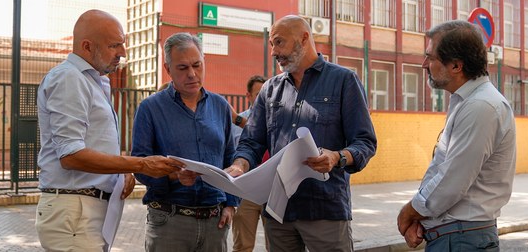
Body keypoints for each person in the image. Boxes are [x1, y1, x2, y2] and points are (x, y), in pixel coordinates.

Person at [35, 9, 183, 251]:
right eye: (115, 45)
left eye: (122, 45)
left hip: (84, 211)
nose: (122, 53)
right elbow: (70, 155)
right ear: (86, 46)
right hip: (75, 211)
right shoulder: (69, 79)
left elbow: (94, 144)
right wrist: (139, 165)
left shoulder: (93, 81)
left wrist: (120, 171)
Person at [226, 15, 377, 251]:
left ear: (304, 38)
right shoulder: (270, 89)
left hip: (325, 211)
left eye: (279, 42)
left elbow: (365, 142)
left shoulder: (344, 81)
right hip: (278, 212)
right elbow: (251, 142)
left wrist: (337, 157)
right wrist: (240, 165)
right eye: (272, 45)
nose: (274, 51)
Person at [396, 20, 517, 251]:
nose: (424, 64)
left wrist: (410, 212)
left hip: (462, 239)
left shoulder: (481, 106)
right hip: (456, 236)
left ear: (456, 66)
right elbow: (440, 167)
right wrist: (419, 217)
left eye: (431, 58)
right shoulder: (467, 101)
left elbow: (451, 181)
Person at [131, 32, 239, 252]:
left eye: (197, 65)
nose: (192, 74)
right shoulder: (150, 108)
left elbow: (230, 156)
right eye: (182, 68)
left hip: (214, 222)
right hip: (170, 221)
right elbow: (139, 165)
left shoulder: (220, 106)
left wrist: (231, 204)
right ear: (168, 69)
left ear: (204, 62)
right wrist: (173, 175)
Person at [230, 75, 269, 252]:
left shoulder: (276, 121)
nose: (264, 99)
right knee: (242, 246)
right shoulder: (234, 124)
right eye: (259, 94)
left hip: (272, 191)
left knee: (278, 245)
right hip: (244, 192)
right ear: (248, 96)